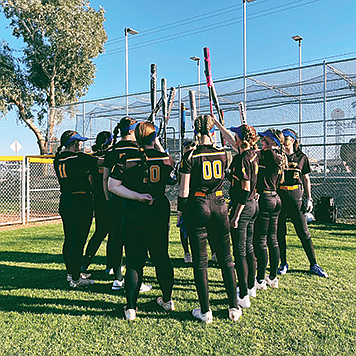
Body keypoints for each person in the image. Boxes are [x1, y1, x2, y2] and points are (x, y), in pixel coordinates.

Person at [178, 114, 242, 324]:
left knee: (201, 262)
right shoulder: (224, 154)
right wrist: (220, 125)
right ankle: (233, 307)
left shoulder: (190, 155)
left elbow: (184, 189)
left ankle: (206, 311)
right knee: (226, 259)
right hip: (220, 204)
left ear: (196, 132)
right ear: (212, 131)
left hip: (198, 205)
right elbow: (238, 147)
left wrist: (181, 211)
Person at [108, 121, 175, 321]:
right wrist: (158, 144)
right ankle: (167, 300)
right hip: (158, 210)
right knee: (161, 256)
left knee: (134, 261)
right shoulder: (164, 158)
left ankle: (131, 308)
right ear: (154, 137)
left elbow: (113, 185)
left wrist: (137, 195)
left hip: (134, 211)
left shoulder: (128, 157)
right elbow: (172, 177)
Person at [277, 128, 328, 277]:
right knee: (280, 232)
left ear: (292, 140)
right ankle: (283, 263)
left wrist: (309, 198)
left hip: (295, 197)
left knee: (303, 232)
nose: (283, 141)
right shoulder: (277, 156)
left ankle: (314, 264)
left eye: (285, 138)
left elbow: (306, 178)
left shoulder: (301, 157)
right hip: (280, 196)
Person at [54, 130, 98, 287]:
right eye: (79, 142)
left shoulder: (58, 158)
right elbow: (100, 162)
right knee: (79, 240)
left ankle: (71, 272)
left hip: (66, 200)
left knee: (70, 239)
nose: (81, 144)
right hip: (80, 200)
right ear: (73, 143)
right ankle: (76, 278)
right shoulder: (79, 158)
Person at [228, 125, 260, 308]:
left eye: (236, 135)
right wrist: (216, 124)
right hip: (253, 206)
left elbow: (245, 189)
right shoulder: (254, 154)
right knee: (248, 248)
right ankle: (250, 286)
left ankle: (242, 294)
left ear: (240, 139)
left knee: (239, 252)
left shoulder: (243, 159)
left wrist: (236, 215)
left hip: (244, 206)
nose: (234, 137)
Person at [253, 129, 286, 290]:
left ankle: (260, 279)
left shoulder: (270, 154)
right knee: (272, 239)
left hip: (266, 199)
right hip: (275, 198)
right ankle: (272, 277)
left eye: (265, 139)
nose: (262, 141)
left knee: (261, 241)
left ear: (273, 141)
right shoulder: (278, 156)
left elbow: (253, 153)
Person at [81, 131, 113, 273]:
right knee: (113, 233)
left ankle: (85, 263)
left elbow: (90, 180)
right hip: (111, 197)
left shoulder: (92, 158)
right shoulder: (111, 157)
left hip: (98, 198)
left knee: (99, 232)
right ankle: (111, 265)